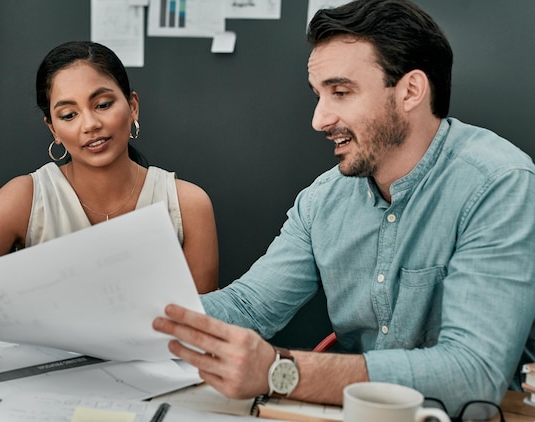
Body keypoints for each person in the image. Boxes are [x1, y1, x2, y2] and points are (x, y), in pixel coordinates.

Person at [152, 0, 535, 416]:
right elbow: (248, 307)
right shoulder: (322, 199)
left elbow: (471, 373)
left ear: (410, 91)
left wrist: (282, 370)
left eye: (340, 92)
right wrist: (137, 318)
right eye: (318, 95)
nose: (319, 118)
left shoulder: (499, 183)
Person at [0, 41, 219, 325]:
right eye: (69, 114)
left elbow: (204, 326)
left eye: (103, 104)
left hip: (161, 378)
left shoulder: (188, 204)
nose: (90, 124)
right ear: (53, 128)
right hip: (45, 376)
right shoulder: (26, 196)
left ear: (132, 106)